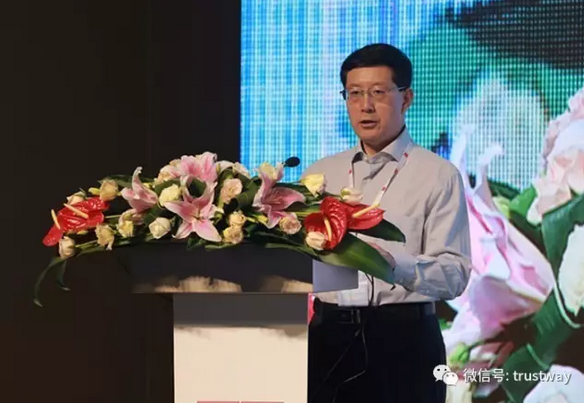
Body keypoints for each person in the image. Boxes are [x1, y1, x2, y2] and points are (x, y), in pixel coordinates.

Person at [302, 43, 472, 402]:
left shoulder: (438, 174)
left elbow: (455, 275)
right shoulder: (320, 174)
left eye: (378, 92)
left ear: (406, 98)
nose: (365, 105)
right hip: (328, 337)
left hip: (405, 340)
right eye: (354, 93)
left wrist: (394, 264)